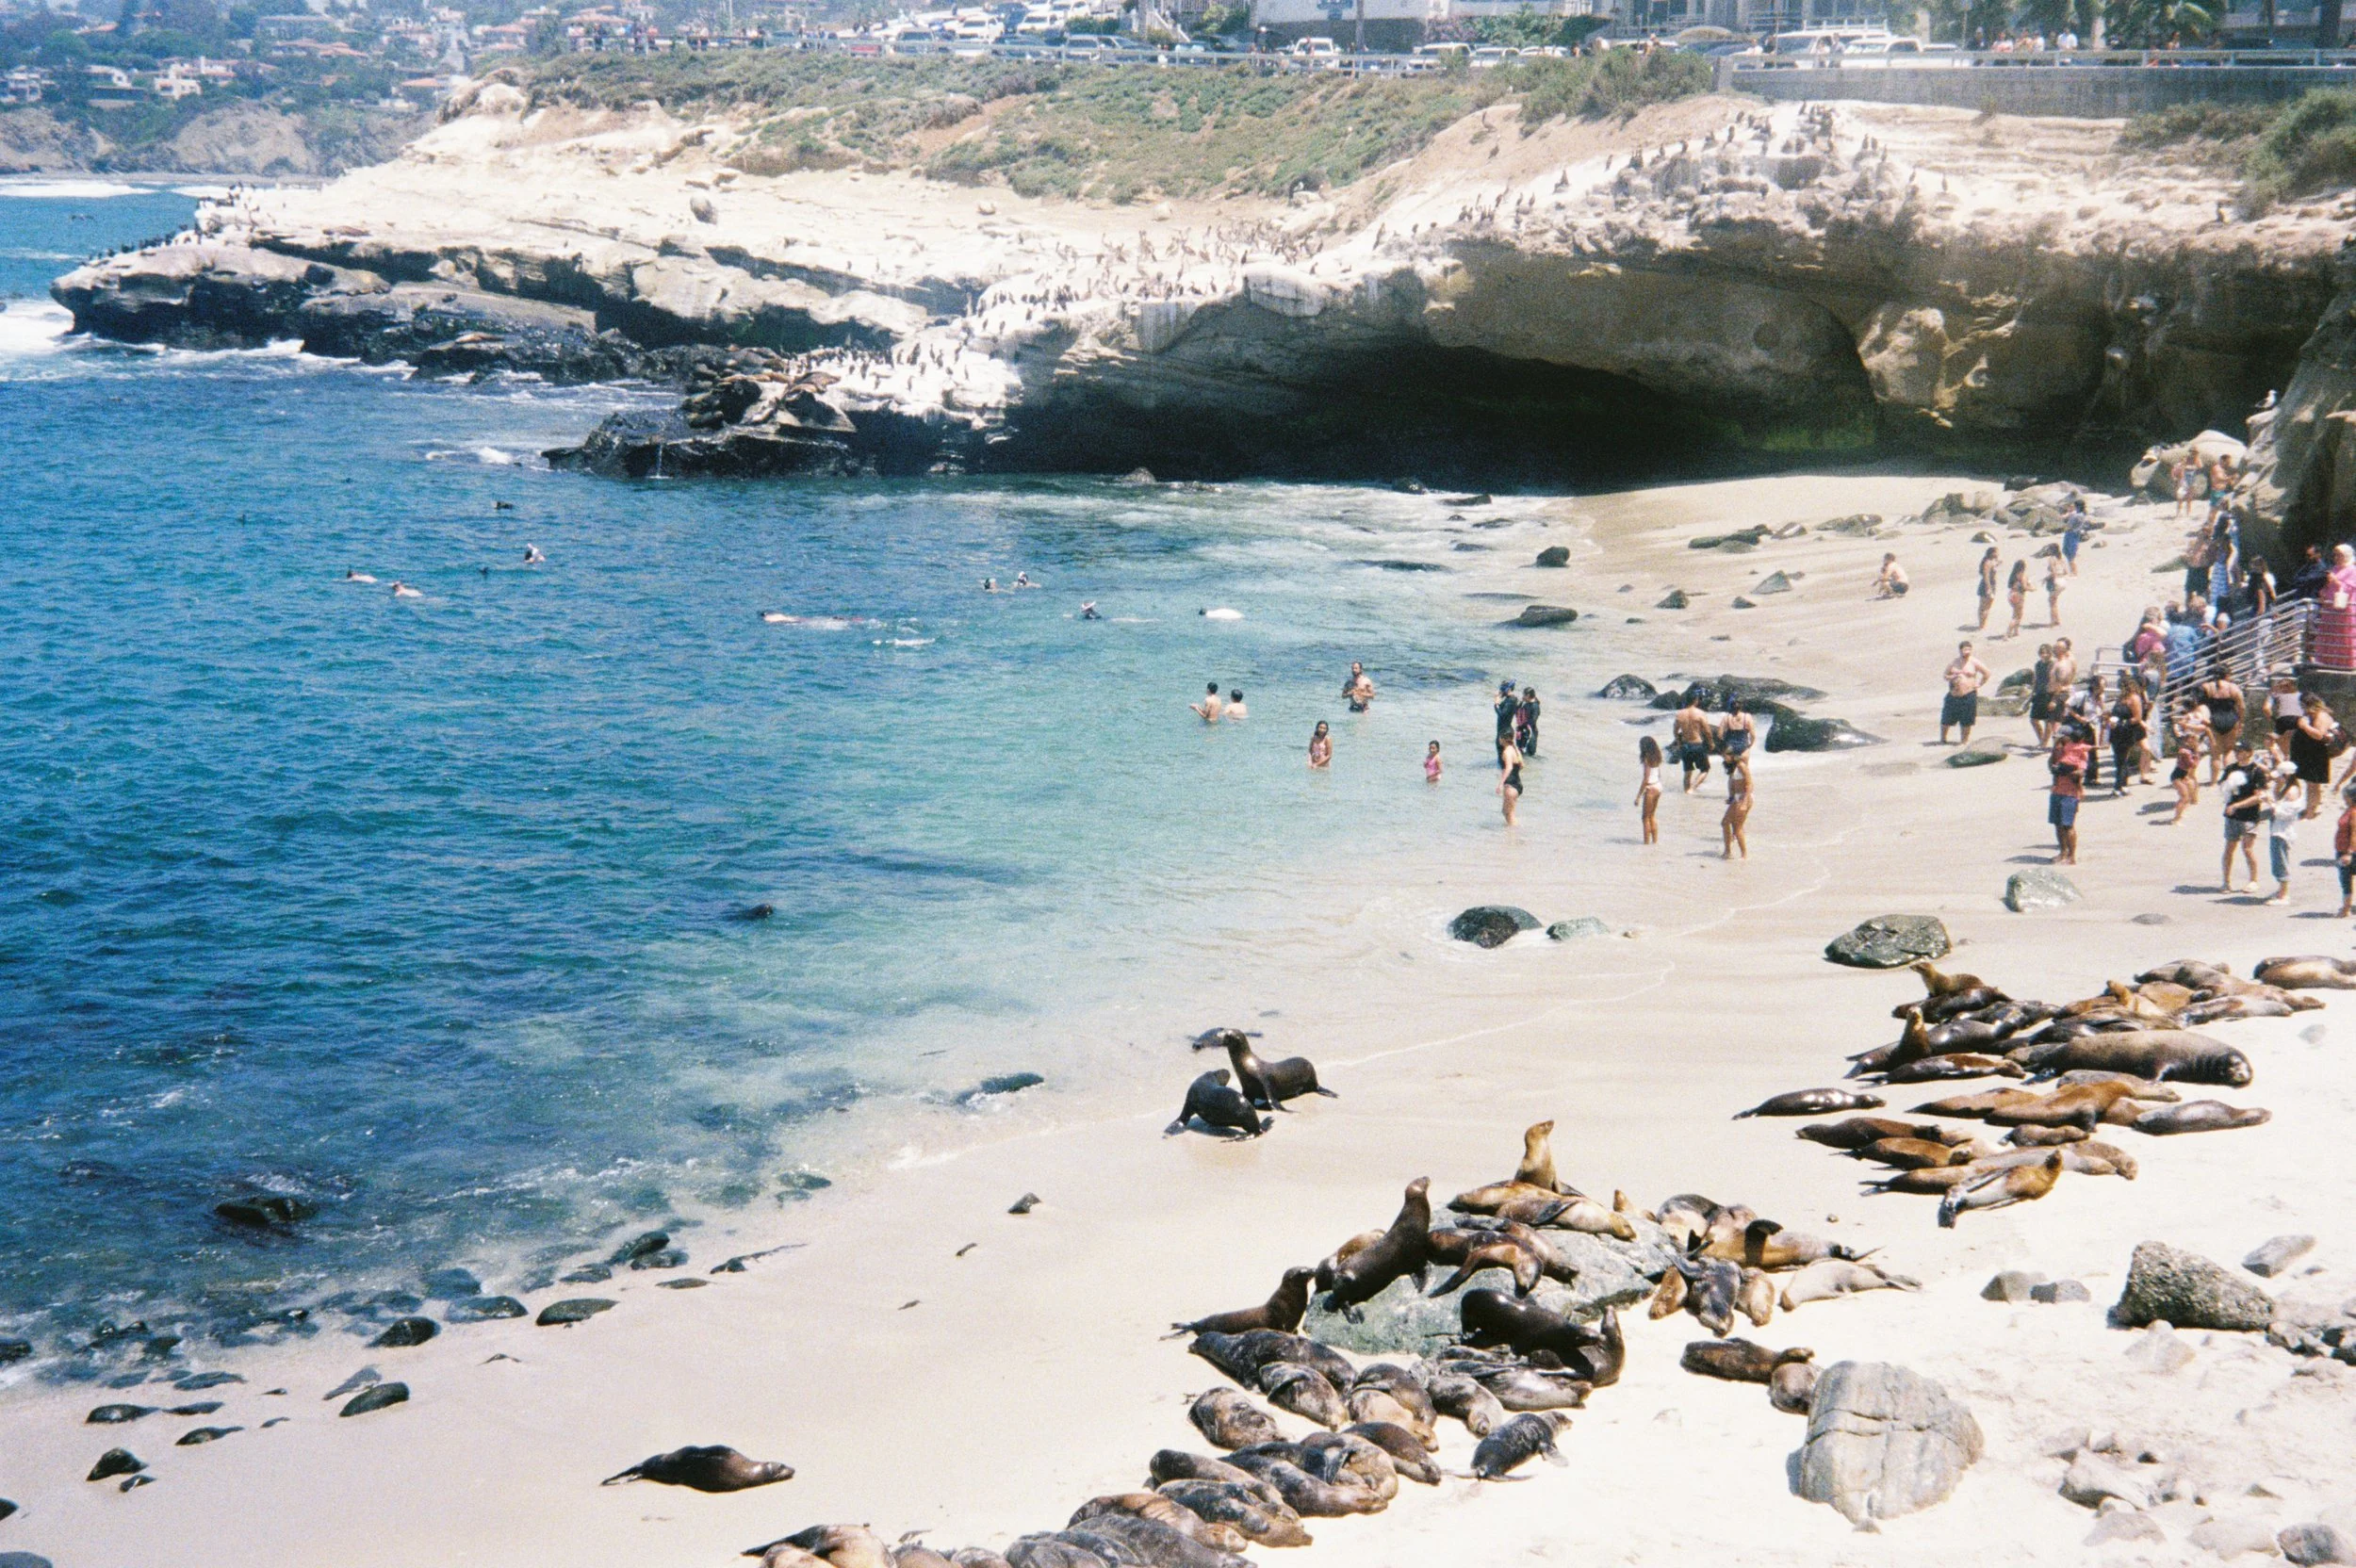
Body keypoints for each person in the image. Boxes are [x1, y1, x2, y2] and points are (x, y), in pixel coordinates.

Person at [2220, 743, 2267, 892]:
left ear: (2249, 752)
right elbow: (2222, 786)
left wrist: (2237, 805)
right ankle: (2226, 882)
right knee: (2229, 849)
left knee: (2247, 849)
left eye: (2240, 751)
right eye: (2236, 750)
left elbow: (2259, 797)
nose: (2237, 753)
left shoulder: (2256, 771)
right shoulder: (2231, 769)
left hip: (2250, 816)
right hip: (2232, 815)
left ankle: (2253, 880)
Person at [2048, 726, 2089, 865]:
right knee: (2057, 824)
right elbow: (2050, 767)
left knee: (2068, 825)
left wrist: (2065, 770)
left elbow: (2081, 772)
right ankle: (2062, 852)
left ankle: (2072, 856)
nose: (2059, 739)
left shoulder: (2079, 752)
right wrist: (2055, 753)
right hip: (2057, 791)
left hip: (2071, 793)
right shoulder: (2058, 752)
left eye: (2061, 736)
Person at [2293, 695, 2338, 817]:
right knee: (2311, 784)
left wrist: (2304, 726)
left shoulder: (2321, 716)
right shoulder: (2313, 715)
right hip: (2311, 754)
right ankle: (2310, 808)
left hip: (2317, 755)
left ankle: (2310, 811)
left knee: (2313, 785)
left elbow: (2319, 735)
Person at [1940, 641, 1991, 745]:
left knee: (1966, 719)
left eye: (1969, 649)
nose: (1967, 652)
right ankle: (1943, 739)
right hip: (1954, 694)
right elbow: (1945, 675)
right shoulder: (1954, 662)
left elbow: (1987, 673)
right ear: (1960, 650)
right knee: (1946, 718)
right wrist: (1952, 676)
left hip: (1968, 693)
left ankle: (1964, 741)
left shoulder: (1974, 662)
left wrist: (1980, 684)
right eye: (1965, 649)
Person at [2197, 670, 2244, 783]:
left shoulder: (2207, 687)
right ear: (2227, 675)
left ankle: (2213, 781)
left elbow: (2199, 703)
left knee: (2215, 754)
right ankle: (2229, 778)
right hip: (2231, 718)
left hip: (2214, 719)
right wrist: (2241, 721)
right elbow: (2242, 706)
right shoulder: (2233, 688)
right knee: (2228, 751)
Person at [2266, 772, 2300, 905]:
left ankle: (2283, 895)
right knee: (2278, 860)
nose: (2276, 779)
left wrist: (2270, 803)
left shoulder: (2292, 791)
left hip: (2282, 832)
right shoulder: (2287, 788)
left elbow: (2284, 814)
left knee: (2280, 861)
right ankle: (2281, 890)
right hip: (2278, 831)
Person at [2110, 678, 2149, 792]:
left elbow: (2138, 717)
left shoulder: (2134, 698)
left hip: (2127, 731)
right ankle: (2123, 784)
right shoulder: (2120, 698)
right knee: (2119, 759)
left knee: (2121, 759)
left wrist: (2123, 722)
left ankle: (2119, 785)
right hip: (2116, 730)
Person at [1674, 695, 1714, 792]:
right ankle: (1692, 789)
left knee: (1687, 772)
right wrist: (1711, 742)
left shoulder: (1679, 714)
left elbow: (1675, 731)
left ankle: (1686, 793)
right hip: (1697, 744)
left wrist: (1679, 743)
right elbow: (1707, 730)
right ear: (1695, 701)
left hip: (1685, 745)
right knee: (1705, 770)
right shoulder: (1700, 713)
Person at [1721, 753, 1752, 859]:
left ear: (1733, 755)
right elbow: (1733, 785)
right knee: (1726, 823)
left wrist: (1744, 802)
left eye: (1726, 755)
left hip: (1744, 798)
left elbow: (1749, 784)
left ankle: (1744, 855)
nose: (1724, 757)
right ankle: (1728, 851)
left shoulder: (1741, 766)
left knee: (1737, 827)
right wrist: (1731, 797)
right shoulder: (1732, 767)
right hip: (1736, 798)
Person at [2168, 727, 2202, 825]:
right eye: (2189, 739)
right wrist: (2196, 754)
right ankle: (2175, 819)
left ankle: (2180, 813)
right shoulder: (2185, 751)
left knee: (2188, 796)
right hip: (2177, 776)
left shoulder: (2190, 751)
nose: (2191, 741)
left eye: (2193, 739)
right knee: (2184, 797)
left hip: (2183, 775)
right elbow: (2193, 764)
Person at [1636, 735, 1662, 844]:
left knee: (1645, 818)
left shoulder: (1646, 758)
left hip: (1651, 787)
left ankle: (1646, 843)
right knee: (1652, 816)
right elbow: (1658, 774)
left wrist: (1638, 796)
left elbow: (1646, 778)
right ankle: (1655, 842)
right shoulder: (1657, 756)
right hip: (1658, 786)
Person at [2029, 644, 2056, 746]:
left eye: (2046, 653)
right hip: (2039, 693)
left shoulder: (2053, 664)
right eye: (2042, 653)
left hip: (2048, 693)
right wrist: (2033, 692)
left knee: (2047, 720)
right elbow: (2036, 679)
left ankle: (2044, 742)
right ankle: (2042, 739)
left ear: (2050, 653)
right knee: (2033, 719)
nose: (2044, 655)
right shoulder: (2038, 664)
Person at [2336, 785, 2356, 918]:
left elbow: (2354, 833)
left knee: (2346, 879)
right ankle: (2346, 907)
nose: (2344, 797)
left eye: (2346, 795)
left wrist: (2349, 853)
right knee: (2345, 879)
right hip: (2342, 850)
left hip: (2349, 852)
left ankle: (2346, 908)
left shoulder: (2354, 812)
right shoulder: (2349, 810)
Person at [1497, 733, 1525, 825]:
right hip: (1517, 784)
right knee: (1507, 812)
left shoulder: (1507, 752)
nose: (1499, 739)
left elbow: (1509, 767)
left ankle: (1513, 836)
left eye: (1500, 737)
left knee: (1509, 814)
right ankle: (1512, 834)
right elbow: (1521, 765)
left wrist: (1501, 784)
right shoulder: (1515, 749)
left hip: (1510, 785)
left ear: (1503, 739)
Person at [1719, 699, 1757, 765]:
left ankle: (1731, 771)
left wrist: (1723, 745)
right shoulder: (1747, 717)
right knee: (1744, 767)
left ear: (1731, 707)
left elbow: (1719, 734)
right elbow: (1753, 735)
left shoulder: (1726, 717)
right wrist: (1750, 745)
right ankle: (1740, 763)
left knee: (1730, 765)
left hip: (1730, 746)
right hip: (1743, 745)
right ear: (1741, 707)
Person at [1494, 680, 1520, 764]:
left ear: (1508, 690)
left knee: (1503, 759)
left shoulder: (1511, 700)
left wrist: (1496, 704)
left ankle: (1506, 773)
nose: (1500, 691)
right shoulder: (1509, 699)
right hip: (1504, 729)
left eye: (1502, 689)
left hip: (1505, 730)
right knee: (1503, 756)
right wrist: (1499, 697)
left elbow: (1502, 715)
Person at [1975, 547, 2001, 630]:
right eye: (1996, 552)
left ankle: (1983, 624)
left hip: (1992, 585)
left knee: (1988, 606)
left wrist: (1997, 561)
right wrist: (1988, 588)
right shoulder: (1987, 563)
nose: (1998, 554)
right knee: (1983, 606)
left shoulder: (1992, 562)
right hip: (1987, 585)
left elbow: (1997, 564)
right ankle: (1981, 625)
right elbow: (1986, 576)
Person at [2004, 559, 2029, 638]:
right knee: (2017, 616)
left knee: (2016, 614)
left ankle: (2016, 631)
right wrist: (2032, 589)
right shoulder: (2022, 575)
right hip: (2019, 595)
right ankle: (2008, 633)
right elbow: (2024, 587)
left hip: (2011, 594)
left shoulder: (2013, 575)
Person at [2061, 502, 2086, 576]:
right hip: (2072, 533)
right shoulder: (2079, 514)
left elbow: (2070, 525)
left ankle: (2074, 572)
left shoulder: (2078, 515)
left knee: (2070, 553)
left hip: (2072, 534)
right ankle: (2071, 570)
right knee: (2067, 551)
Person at [1515, 687, 1541, 759]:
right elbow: (1517, 711)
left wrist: (1524, 726)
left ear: (1528, 695)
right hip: (1523, 730)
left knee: (1530, 755)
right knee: (1520, 751)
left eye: (1524, 695)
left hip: (1531, 732)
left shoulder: (1535, 706)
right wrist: (1520, 702)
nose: (1522, 696)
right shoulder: (1526, 704)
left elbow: (1533, 720)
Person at [2044, 557, 2066, 627]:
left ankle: (2052, 622)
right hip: (2063, 581)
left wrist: (2046, 578)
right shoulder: (2061, 559)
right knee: (2054, 600)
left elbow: (2053, 573)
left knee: (2052, 602)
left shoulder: (2052, 559)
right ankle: (2057, 620)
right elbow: (2065, 572)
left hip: (2056, 582)